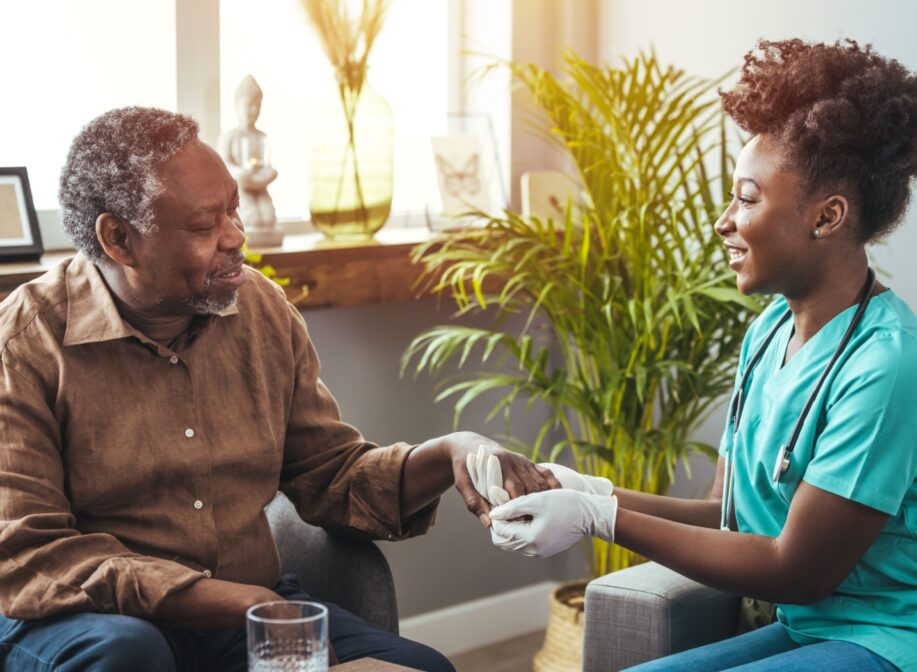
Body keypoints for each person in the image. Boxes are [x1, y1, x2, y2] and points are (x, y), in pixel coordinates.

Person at [481, 39, 917, 671]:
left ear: (828, 217)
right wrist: (592, 490)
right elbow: (728, 516)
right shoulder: (768, 332)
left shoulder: (891, 369)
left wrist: (599, 519)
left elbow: (797, 569)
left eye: (747, 197)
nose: (723, 221)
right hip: (819, 631)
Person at [0, 106, 559, 671]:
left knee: (424, 667)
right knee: (130, 654)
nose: (236, 237)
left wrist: (451, 452)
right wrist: (234, 599)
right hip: (85, 623)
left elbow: (331, 475)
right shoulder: (25, 342)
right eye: (204, 226)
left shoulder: (261, 309)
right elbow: (30, 552)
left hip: (245, 613)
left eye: (234, 210)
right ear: (119, 239)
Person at [217, 74, 283, 247]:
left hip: (260, 187)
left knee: (268, 218)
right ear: (237, 106)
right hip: (240, 189)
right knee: (252, 218)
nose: (253, 110)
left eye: (257, 105)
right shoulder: (229, 137)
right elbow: (224, 166)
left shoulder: (262, 137)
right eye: (248, 105)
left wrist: (268, 174)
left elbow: (266, 165)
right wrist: (242, 175)